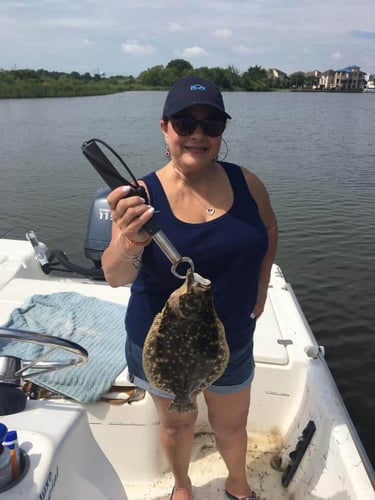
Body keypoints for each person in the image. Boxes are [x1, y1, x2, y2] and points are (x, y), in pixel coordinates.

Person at [102, 76, 278, 500]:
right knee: (177, 421)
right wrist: (131, 240)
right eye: (185, 123)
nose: (198, 134)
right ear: (165, 128)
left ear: (221, 133)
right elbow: (115, 275)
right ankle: (182, 487)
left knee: (232, 422)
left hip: (229, 335)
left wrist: (263, 280)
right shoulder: (139, 198)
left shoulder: (247, 183)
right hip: (160, 344)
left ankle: (238, 484)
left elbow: (269, 228)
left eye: (211, 125)